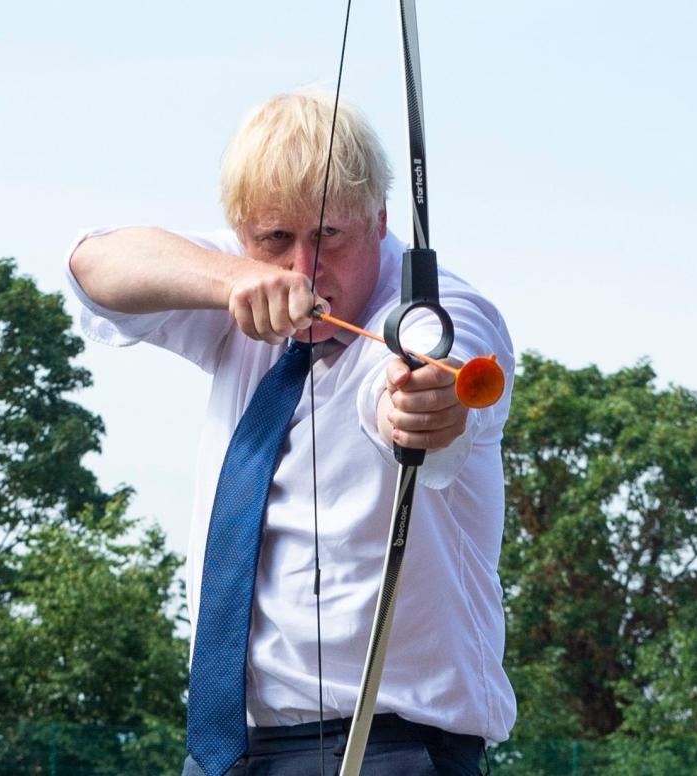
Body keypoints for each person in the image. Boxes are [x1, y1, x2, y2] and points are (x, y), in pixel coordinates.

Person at [64, 88, 516, 775]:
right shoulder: (243, 283)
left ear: (379, 219)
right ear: (245, 234)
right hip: (229, 753)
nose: (303, 267)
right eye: (277, 239)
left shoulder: (437, 308)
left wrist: (427, 403)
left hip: (387, 747)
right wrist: (232, 280)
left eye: (330, 235)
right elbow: (94, 266)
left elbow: (429, 363)